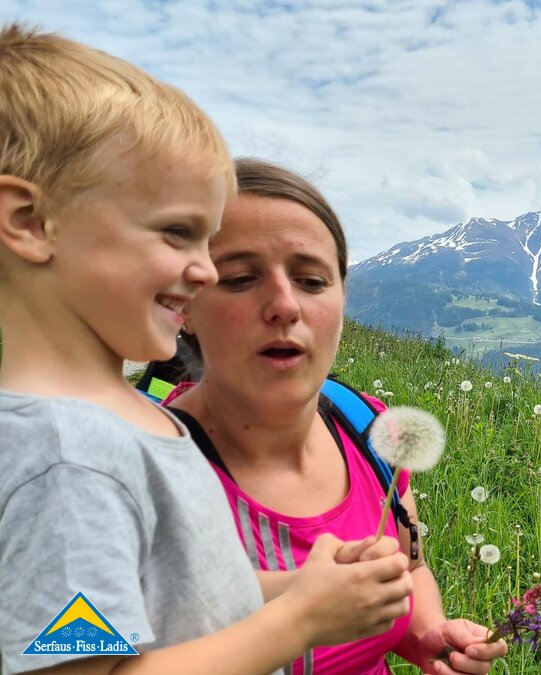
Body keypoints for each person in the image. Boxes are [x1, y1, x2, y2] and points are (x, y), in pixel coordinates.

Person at [0, 24, 413, 675]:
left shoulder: (132, 420)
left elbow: (176, 606)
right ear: (29, 222)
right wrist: (299, 620)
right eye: (177, 233)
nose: (203, 270)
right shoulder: (68, 454)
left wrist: (304, 585)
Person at [163, 158, 509, 675]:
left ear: (343, 297)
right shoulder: (140, 468)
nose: (284, 305)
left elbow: (410, 572)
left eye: (311, 281)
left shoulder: (367, 428)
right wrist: (297, 618)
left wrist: (427, 637)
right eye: (239, 278)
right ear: (183, 304)